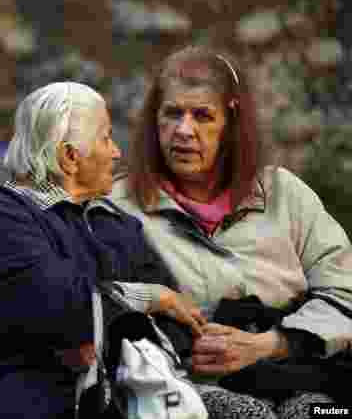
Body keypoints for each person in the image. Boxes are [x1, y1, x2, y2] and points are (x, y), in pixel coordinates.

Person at [111, 46, 352, 418]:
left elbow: (345, 288)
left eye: (203, 116)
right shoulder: (118, 206)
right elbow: (95, 301)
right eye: (172, 113)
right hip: (180, 390)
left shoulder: (283, 194)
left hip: (297, 373)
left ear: (231, 122)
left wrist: (274, 343)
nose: (184, 130)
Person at [0, 82, 206, 419]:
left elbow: (181, 322)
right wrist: (148, 299)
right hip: (24, 399)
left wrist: (105, 340)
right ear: (70, 156)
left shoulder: (116, 223)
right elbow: (60, 305)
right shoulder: (1, 217)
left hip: (127, 394)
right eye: (106, 138)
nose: (116, 152)